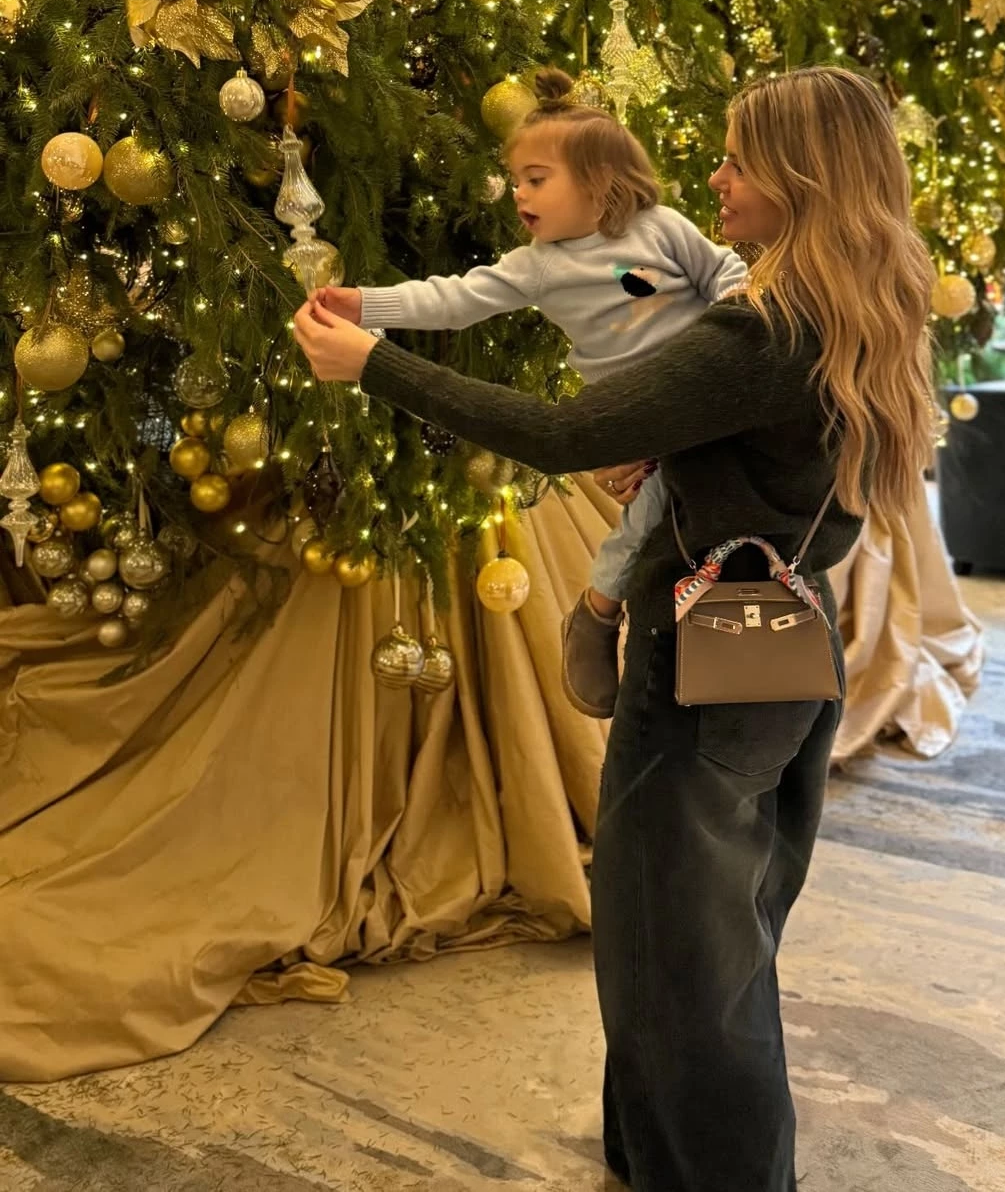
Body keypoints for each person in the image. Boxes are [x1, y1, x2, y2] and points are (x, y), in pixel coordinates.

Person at [293, 67, 936, 1192]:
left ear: (798, 176)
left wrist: (373, 364)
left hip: (706, 672)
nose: (718, 175)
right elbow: (764, 461)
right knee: (720, 946)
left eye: (739, 156)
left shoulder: (761, 329)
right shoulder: (855, 308)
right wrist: (687, 454)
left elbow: (562, 430)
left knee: (674, 962)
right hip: (786, 648)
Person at [309, 67, 745, 718]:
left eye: (536, 179)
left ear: (598, 181)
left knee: (703, 493)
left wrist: (738, 304)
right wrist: (364, 304)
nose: (519, 193)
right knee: (653, 506)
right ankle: (599, 612)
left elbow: (725, 269)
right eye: (516, 179)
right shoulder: (536, 266)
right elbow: (451, 299)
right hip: (633, 417)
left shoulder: (661, 227)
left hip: (702, 392)